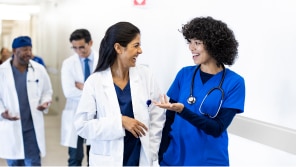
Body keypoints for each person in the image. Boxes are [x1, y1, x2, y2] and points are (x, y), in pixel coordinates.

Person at [153, 16, 245, 166]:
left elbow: (217, 128)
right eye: (190, 42)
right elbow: (169, 118)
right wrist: (162, 152)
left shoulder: (234, 82)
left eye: (197, 43)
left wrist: (184, 111)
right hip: (174, 157)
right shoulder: (184, 74)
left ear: (214, 45)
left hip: (208, 160)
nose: (191, 47)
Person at [74, 22, 166, 166]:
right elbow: (82, 126)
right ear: (118, 48)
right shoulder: (95, 82)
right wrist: (119, 122)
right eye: (136, 45)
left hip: (139, 157)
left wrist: (152, 150)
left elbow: (157, 116)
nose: (140, 50)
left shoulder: (146, 76)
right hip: (107, 159)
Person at [0, 36, 53, 166]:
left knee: (33, 162)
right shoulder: (2, 72)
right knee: (14, 163)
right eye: (24, 49)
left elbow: (47, 91)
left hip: (31, 129)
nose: (28, 53)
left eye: (30, 49)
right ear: (14, 50)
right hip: (11, 126)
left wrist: (45, 102)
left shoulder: (39, 69)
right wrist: (2, 112)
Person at [60, 28, 98, 166]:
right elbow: (69, 92)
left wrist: (84, 87)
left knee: (94, 157)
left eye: (82, 47)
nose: (78, 51)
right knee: (75, 158)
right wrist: (93, 92)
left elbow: (107, 90)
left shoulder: (103, 61)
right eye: (74, 48)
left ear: (90, 43)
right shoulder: (68, 63)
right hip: (76, 113)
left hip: (97, 115)